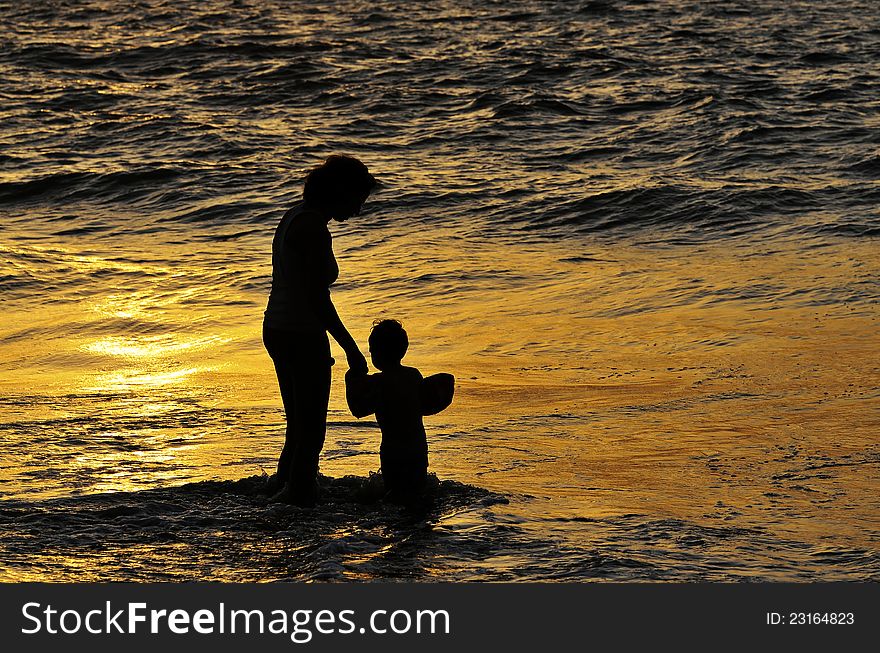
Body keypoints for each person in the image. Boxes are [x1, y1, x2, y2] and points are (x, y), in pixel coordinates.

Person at [263, 155, 376, 506]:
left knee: (298, 426)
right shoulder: (313, 227)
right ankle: (299, 500)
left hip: (278, 326)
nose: (359, 209)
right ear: (341, 191)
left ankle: (282, 491)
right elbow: (316, 297)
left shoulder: (294, 216)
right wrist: (351, 348)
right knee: (312, 431)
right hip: (300, 330)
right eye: (358, 198)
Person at [345, 319, 454, 503]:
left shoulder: (379, 383)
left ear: (378, 352)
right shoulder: (413, 375)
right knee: (418, 491)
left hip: (393, 450)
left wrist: (351, 380)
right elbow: (427, 402)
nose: (369, 352)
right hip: (418, 447)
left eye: (371, 348)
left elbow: (358, 409)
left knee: (394, 494)